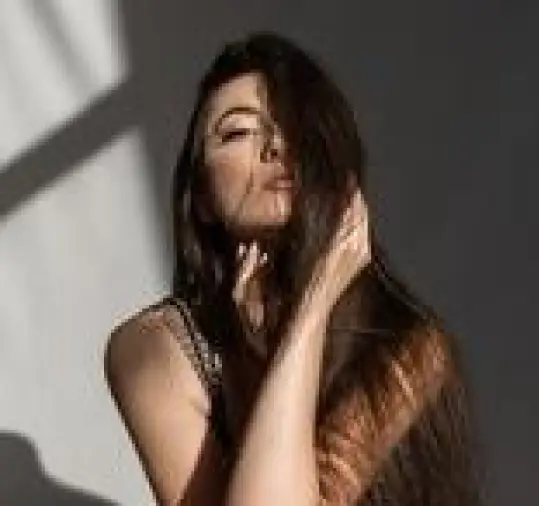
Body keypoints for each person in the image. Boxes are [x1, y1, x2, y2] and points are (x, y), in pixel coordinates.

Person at [104, 31, 484, 506]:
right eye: (238, 132)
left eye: (295, 126)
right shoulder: (153, 346)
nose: (275, 145)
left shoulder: (408, 345)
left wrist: (311, 307)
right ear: (200, 198)